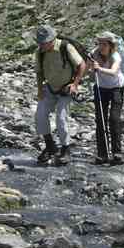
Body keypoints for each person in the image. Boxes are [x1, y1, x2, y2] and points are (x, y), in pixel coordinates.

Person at [34, 24, 87, 166]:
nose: (41, 45)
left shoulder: (65, 47)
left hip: (66, 88)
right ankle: (50, 146)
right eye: (40, 43)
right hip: (50, 87)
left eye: (44, 43)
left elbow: (82, 65)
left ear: (52, 40)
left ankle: (65, 149)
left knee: (61, 118)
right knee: (40, 115)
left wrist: (75, 84)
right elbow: (39, 72)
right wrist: (40, 90)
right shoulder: (40, 52)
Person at [89, 31, 124, 166]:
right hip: (101, 88)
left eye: (104, 44)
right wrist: (91, 70)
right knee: (100, 120)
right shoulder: (94, 53)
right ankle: (102, 154)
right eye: (99, 43)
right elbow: (90, 69)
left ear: (110, 45)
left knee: (114, 119)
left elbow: (113, 72)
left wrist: (98, 68)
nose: (101, 46)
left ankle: (117, 153)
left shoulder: (116, 56)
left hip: (117, 88)